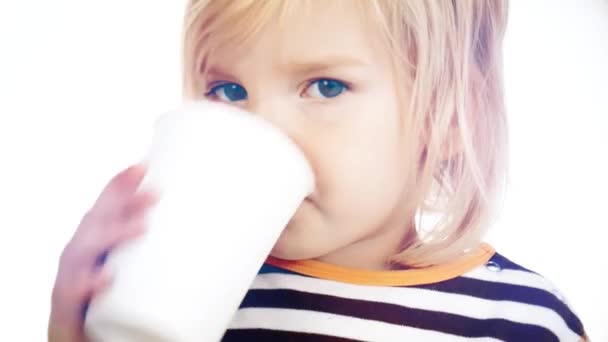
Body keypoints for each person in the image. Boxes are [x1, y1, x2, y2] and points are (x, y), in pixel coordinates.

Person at [48, 0, 588, 341]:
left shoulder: (523, 319)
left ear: (448, 117)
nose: (265, 127)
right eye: (229, 91)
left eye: (325, 86)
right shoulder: (196, 297)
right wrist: (71, 326)